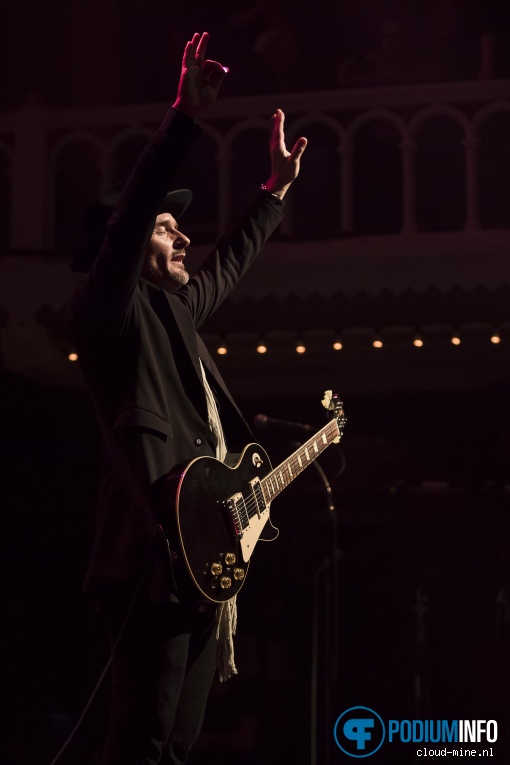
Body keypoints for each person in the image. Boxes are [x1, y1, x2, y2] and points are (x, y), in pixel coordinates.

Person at [70, 31, 307, 765]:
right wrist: (181, 118)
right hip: (150, 564)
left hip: (200, 562)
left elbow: (226, 264)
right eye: (166, 229)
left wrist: (273, 192)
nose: (183, 239)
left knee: (177, 740)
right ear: (132, 239)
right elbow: (136, 211)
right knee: (142, 738)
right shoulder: (110, 310)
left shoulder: (174, 314)